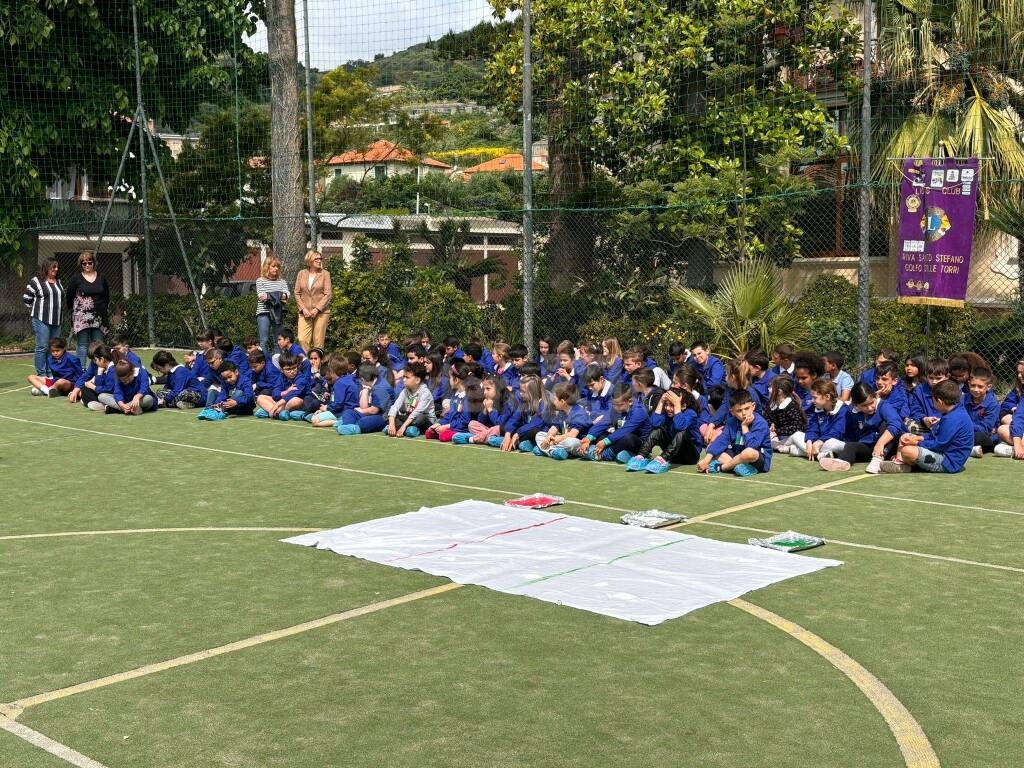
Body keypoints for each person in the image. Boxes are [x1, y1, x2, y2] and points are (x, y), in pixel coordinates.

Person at [882, 379, 974, 473]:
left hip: (948, 462)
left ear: (940, 401)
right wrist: (918, 438)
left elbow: (938, 445)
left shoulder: (953, 418)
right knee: (906, 436)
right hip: (943, 452)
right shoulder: (954, 411)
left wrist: (917, 443)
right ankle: (900, 462)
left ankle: (904, 463)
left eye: (933, 401)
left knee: (908, 451)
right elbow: (936, 437)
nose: (933, 404)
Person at [819, 382, 905, 472]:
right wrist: (822, 440)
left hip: (891, 445)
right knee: (851, 446)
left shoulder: (884, 406)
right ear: (856, 405)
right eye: (864, 405)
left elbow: (895, 425)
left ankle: (877, 461)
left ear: (875, 396)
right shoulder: (852, 413)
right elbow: (842, 430)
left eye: (871, 402)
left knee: (885, 425)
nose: (869, 408)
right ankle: (842, 462)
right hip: (870, 447)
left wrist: (880, 444)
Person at [625, 386, 704, 473]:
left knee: (681, 432)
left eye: (672, 405)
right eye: (666, 404)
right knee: (658, 430)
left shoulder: (690, 413)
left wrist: (677, 404)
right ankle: (641, 456)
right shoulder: (666, 414)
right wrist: (661, 401)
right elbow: (654, 424)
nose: (667, 408)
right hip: (673, 455)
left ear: (683, 406)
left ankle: (662, 460)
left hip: (690, 456)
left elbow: (680, 426)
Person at [697, 389, 772, 477]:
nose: (744, 413)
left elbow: (752, 446)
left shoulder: (760, 423)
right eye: (739, 411)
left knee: (748, 453)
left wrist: (745, 427)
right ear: (732, 412)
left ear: (753, 406)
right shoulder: (731, 422)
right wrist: (706, 460)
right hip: (737, 456)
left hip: (756, 459)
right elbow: (722, 440)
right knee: (711, 448)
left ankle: (722, 467)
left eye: (747, 408)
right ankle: (738, 467)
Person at [580, 383, 651, 462]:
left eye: (619, 405)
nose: (616, 407)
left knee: (627, 438)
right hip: (619, 438)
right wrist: (588, 438)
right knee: (602, 434)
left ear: (630, 401)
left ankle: (604, 454)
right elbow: (603, 423)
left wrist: (605, 442)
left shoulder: (638, 411)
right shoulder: (615, 408)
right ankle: (623, 454)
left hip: (637, 443)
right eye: (614, 404)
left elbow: (625, 430)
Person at [23, 257, 64, 377]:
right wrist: (38, 310)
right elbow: (26, 299)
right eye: (53, 267)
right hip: (41, 319)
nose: (56, 269)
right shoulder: (36, 281)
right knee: (42, 346)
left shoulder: (58, 281)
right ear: (46, 267)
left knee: (54, 348)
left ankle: (50, 373)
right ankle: (42, 374)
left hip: (56, 320)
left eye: (57, 267)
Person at [66, 250, 110, 362]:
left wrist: (103, 312)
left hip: (98, 316)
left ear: (94, 263)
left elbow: (106, 296)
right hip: (81, 317)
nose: (87, 265)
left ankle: (98, 371)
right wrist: (74, 314)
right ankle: (81, 371)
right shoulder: (76, 278)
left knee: (98, 344)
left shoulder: (102, 277)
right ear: (80, 265)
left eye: (89, 262)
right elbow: (69, 297)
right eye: (84, 263)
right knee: (82, 345)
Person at [790, 379, 848, 461]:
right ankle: (821, 455)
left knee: (832, 444)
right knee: (797, 435)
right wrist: (809, 441)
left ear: (827, 397)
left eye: (815, 397)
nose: (812, 400)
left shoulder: (843, 410)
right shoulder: (818, 408)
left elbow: (837, 432)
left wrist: (820, 442)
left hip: (834, 442)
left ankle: (800, 452)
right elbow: (812, 428)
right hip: (819, 442)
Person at [531, 382, 592, 460]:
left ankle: (547, 450)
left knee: (571, 442)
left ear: (562, 401)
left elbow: (572, 435)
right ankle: (554, 451)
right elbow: (554, 428)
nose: (552, 401)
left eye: (554, 399)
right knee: (539, 435)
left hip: (578, 443)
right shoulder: (562, 412)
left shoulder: (579, 413)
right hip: (562, 442)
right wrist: (549, 436)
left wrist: (556, 440)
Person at [336, 363, 396, 435]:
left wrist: (361, 411)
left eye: (360, 379)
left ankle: (354, 428)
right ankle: (348, 425)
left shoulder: (381, 388)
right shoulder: (370, 383)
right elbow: (364, 406)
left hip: (383, 417)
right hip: (371, 413)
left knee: (363, 422)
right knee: (349, 412)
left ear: (363, 379)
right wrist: (365, 389)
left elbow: (374, 410)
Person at [293, 250, 331, 350]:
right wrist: (303, 309)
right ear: (309, 260)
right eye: (316, 259)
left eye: (320, 259)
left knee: (318, 341)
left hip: (321, 312)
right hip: (304, 313)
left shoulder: (325, 274)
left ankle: (317, 363)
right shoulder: (301, 273)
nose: (319, 261)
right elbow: (297, 293)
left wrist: (317, 309)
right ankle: (307, 363)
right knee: (302, 339)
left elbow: (328, 294)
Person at [386, 362, 436, 438]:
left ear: (417, 380)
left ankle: (402, 429)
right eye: (403, 377)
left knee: (420, 418)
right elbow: (395, 406)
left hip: (424, 421)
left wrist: (403, 426)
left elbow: (417, 412)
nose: (404, 380)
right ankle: (404, 429)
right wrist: (392, 423)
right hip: (409, 418)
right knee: (389, 413)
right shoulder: (405, 390)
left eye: (407, 377)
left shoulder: (426, 393)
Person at [254, 352, 310, 420]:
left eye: (294, 368)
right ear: (281, 370)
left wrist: (276, 405)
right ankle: (279, 413)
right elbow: (275, 394)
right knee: (260, 397)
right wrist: (285, 392)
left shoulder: (301, 378)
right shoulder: (281, 377)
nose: (292, 371)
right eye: (288, 369)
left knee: (295, 400)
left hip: (295, 403)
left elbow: (293, 394)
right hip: (282, 403)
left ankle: (272, 412)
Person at [465, 375, 518, 444]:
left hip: (506, 430)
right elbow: (480, 422)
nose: (485, 392)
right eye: (484, 389)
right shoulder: (490, 399)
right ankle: (489, 437)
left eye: (488, 389)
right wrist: (485, 410)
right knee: (472, 424)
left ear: (498, 388)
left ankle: (475, 438)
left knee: (496, 428)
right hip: (491, 430)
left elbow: (499, 423)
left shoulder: (509, 402)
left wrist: (490, 409)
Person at [256, 257, 290, 358]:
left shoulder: (282, 282)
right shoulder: (260, 280)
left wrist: (270, 296)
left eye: (278, 267)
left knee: (278, 339)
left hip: (278, 313)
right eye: (273, 266)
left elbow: (287, 295)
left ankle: (277, 360)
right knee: (264, 340)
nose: (276, 269)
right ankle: (265, 360)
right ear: (267, 267)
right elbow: (262, 296)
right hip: (263, 313)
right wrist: (279, 295)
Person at [310, 355, 358, 428]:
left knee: (314, 420)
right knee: (316, 414)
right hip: (352, 411)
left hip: (342, 412)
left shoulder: (339, 383)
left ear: (332, 370)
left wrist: (326, 408)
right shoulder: (350, 378)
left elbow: (338, 404)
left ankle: (339, 422)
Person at [766, 375, 806, 455]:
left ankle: (817, 454)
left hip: (792, 437)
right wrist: (770, 425)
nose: (768, 389)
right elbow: (767, 419)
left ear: (780, 392)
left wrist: (778, 431)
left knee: (797, 436)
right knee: (767, 441)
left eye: (771, 387)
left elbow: (797, 427)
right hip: (779, 439)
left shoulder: (791, 406)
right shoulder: (771, 404)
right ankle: (790, 449)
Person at [908, 359, 950, 434]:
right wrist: (924, 418)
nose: (934, 381)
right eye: (931, 378)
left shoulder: (952, 390)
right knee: (907, 425)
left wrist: (942, 420)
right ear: (926, 376)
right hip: (925, 426)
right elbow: (915, 410)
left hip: (945, 426)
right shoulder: (920, 390)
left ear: (947, 377)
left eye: (938, 378)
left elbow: (956, 412)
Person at [965, 367, 998, 457]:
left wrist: (964, 426)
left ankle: (966, 449)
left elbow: (985, 429)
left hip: (985, 438)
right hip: (965, 433)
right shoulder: (962, 399)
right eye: (973, 385)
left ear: (988, 387)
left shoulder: (992, 405)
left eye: (980, 386)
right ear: (968, 384)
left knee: (979, 436)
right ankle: (970, 450)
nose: (976, 389)